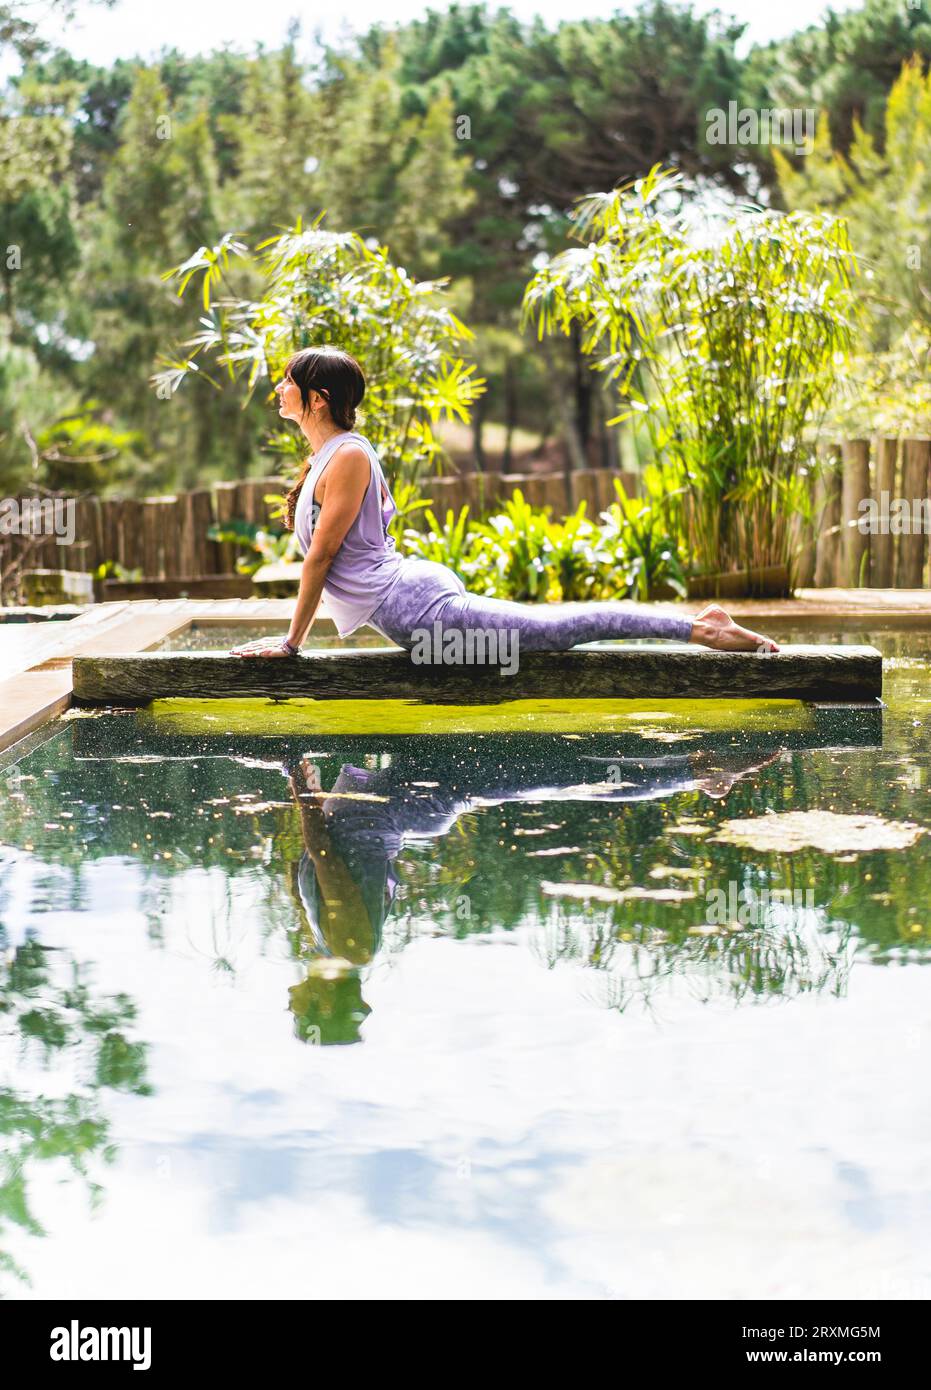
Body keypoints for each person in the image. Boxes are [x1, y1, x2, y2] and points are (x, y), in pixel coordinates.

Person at [229, 346, 780, 661]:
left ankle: (702, 628)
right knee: (548, 631)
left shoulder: (349, 456)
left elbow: (321, 560)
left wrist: (290, 644)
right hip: (411, 612)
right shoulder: (326, 457)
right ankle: (698, 627)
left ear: (317, 398)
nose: (278, 389)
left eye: (287, 381)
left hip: (422, 612)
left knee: (552, 631)